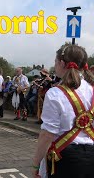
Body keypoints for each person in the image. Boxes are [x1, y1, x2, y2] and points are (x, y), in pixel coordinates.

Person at [32, 45, 94, 178]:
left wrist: (36, 165)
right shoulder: (92, 90)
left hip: (64, 159)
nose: (54, 65)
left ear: (61, 63)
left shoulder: (55, 93)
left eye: (55, 62)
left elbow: (47, 135)